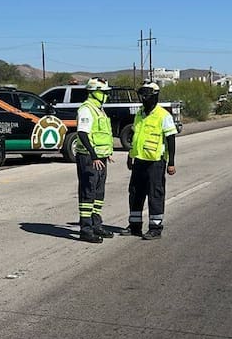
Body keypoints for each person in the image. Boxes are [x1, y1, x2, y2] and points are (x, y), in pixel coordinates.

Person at [121, 81, 177, 240]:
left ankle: (155, 228)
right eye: (142, 96)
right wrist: (130, 156)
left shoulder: (163, 115)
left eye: (146, 96)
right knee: (135, 193)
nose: (143, 99)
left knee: (155, 194)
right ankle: (134, 225)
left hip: (155, 162)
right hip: (139, 160)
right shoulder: (140, 114)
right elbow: (136, 137)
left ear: (154, 96)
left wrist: (171, 163)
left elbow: (171, 139)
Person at [74, 77, 114, 243]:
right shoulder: (86, 109)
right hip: (89, 158)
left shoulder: (99, 109)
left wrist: (106, 153)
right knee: (88, 193)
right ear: (94, 92)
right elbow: (83, 134)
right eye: (104, 92)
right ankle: (86, 230)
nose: (106, 95)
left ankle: (96, 225)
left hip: (101, 157)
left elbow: (101, 134)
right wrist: (94, 155)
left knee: (98, 193)